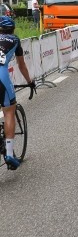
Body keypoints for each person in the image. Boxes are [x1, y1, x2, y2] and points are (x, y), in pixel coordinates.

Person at [0, 16, 35, 169]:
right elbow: (21, 65)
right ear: (13, 29)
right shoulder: (14, 39)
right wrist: (30, 82)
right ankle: (8, 154)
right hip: (1, 77)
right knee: (9, 112)